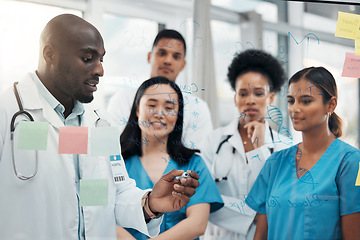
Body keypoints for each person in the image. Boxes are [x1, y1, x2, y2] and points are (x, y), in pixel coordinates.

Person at [0, 14, 200, 240]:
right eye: (87, 58)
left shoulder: (98, 124)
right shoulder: (8, 113)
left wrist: (150, 203)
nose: (100, 70)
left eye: (101, 60)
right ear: (50, 55)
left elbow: (110, 196)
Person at [245, 67, 360, 240]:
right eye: (291, 101)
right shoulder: (275, 163)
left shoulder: (351, 162)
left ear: (331, 104)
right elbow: (260, 235)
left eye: (306, 101)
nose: (295, 109)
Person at [118, 77, 224, 240]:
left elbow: (197, 223)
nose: (160, 113)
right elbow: (103, 215)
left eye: (169, 108)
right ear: (138, 110)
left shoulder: (194, 164)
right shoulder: (116, 162)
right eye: (152, 105)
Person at [201, 49, 290, 240]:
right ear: (235, 99)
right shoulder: (213, 141)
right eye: (243, 93)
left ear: (271, 98)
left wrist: (257, 149)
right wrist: (256, 214)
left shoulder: (285, 147)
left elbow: (279, 201)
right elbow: (203, 196)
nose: (250, 100)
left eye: (259, 93)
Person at [107, 29, 212, 149]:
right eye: (162, 53)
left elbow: (197, 155)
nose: (168, 60)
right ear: (149, 57)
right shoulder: (121, 100)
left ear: (183, 64)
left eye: (176, 56)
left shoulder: (198, 107)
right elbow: (114, 150)